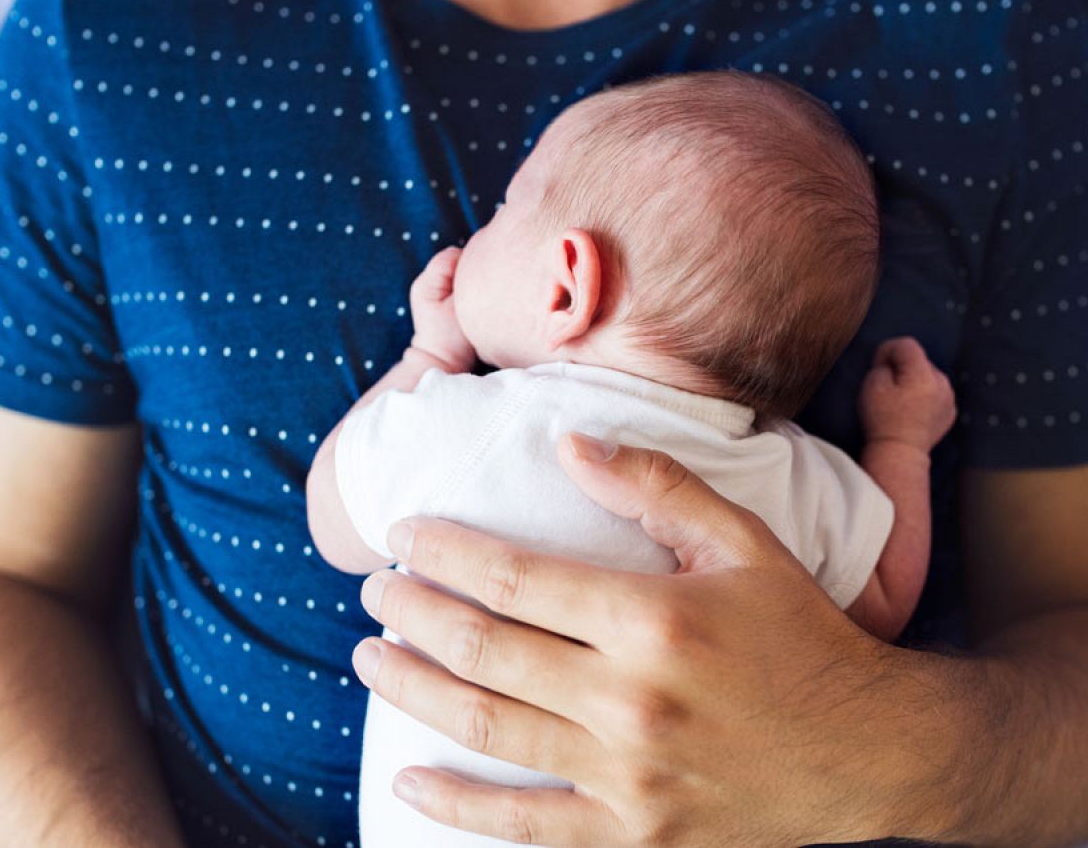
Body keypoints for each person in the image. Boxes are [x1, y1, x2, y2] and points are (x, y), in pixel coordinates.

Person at [0, 0, 1088, 845]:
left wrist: (864, 751)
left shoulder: (983, 17)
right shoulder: (118, 17)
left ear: (566, 279)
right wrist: (901, 443)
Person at [305, 71, 957, 845]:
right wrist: (900, 444)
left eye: (505, 212)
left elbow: (332, 522)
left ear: (566, 290)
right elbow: (883, 600)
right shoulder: (791, 476)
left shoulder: (476, 423)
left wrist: (428, 354)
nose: (478, 232)